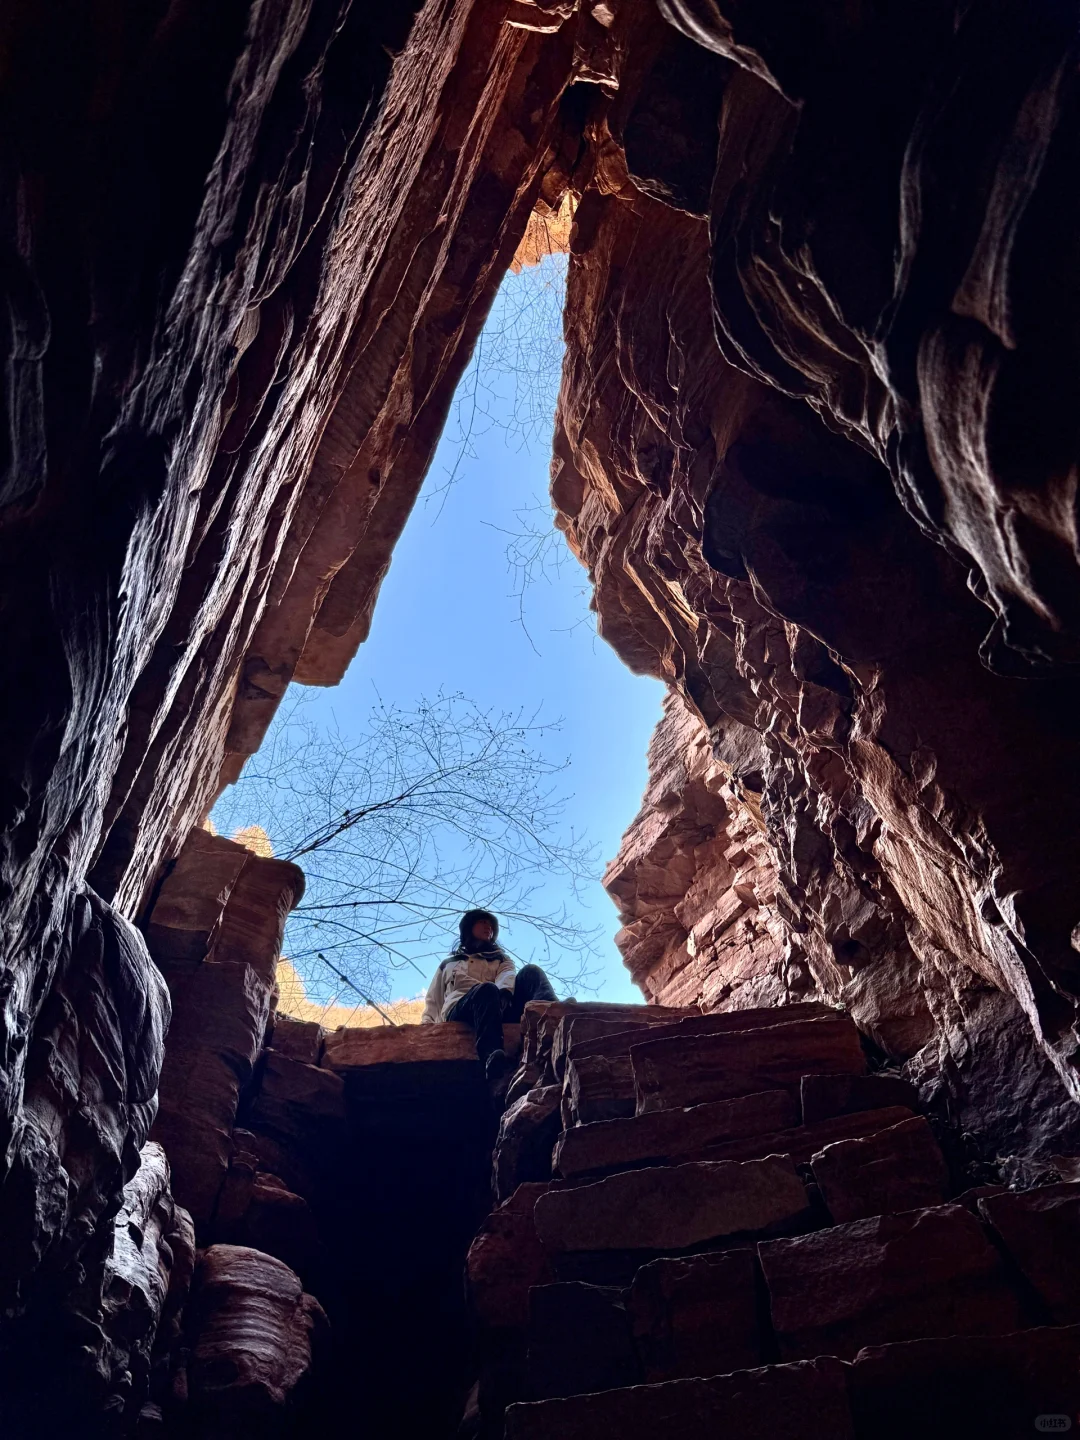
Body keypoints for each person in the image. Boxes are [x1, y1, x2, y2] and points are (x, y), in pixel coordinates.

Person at [421, 908, 556, 1078]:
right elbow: (434, 999)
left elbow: (507, 976)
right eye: (483, 922)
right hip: (462, 1009)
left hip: (499, 1004)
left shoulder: (501, 959)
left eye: (491, 925)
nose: (489, 928)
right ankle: (491, 1056)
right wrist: (426, 1029)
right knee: (487, 990)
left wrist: (505, 994)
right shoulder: (448, 963)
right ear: (469, 927)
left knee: (531, 972)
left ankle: (554, 1014)